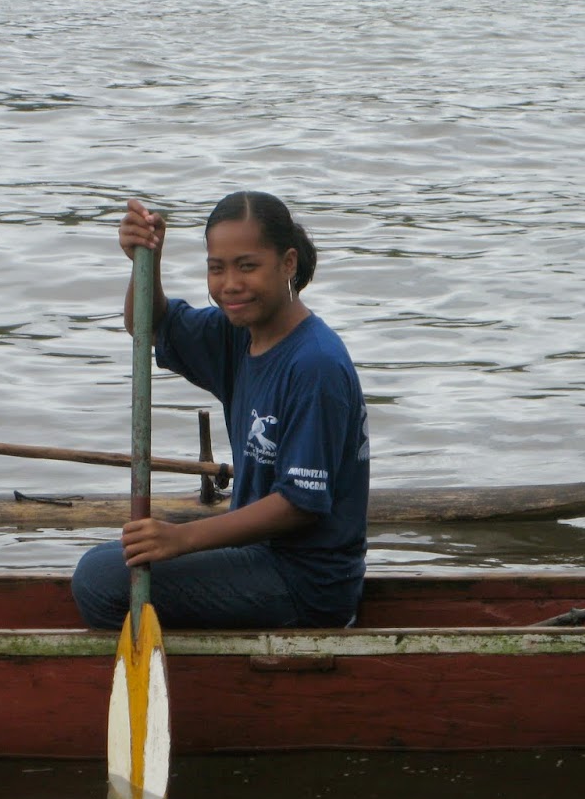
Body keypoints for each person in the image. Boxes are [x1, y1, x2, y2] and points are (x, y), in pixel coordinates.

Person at [71, 191, 369, 630]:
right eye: (217, 267)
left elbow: (300, 504)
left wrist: (182, 538)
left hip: (306, 583)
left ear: (288, 263)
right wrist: (145, 261)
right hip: (260, 555)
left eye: (248, 266)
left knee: (100, 580)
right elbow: (147, 326)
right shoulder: (240, 333)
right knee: (111, 557)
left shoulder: (314, 364)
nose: (230, 283)